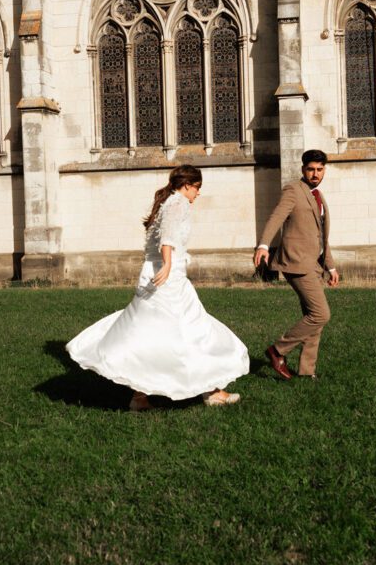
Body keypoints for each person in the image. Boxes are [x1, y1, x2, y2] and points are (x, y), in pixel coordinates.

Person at [66, 165, 249, 410]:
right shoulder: (178, 203)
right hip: (168, 278)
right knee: (195, 330)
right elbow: (168, 237)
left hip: (154, 274)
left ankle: (140, 396)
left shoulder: (165, 203)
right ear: (186, 185)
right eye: (197, 188)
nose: (197, 194)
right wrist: (168, 263)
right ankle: (212, 391)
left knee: (147, 332)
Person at [253, 149, 339, 381]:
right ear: (303, 169)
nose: (315, 174)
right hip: (296, 262)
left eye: (319, 170)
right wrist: (263, 245)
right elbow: (276, 217)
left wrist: (330, 266)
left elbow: (321, 236)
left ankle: (306, 371)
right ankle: (277, 350)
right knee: (321, 314)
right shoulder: (293, 190)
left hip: (314, 264)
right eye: (311, 169)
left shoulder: (318, 196)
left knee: (313, 318)